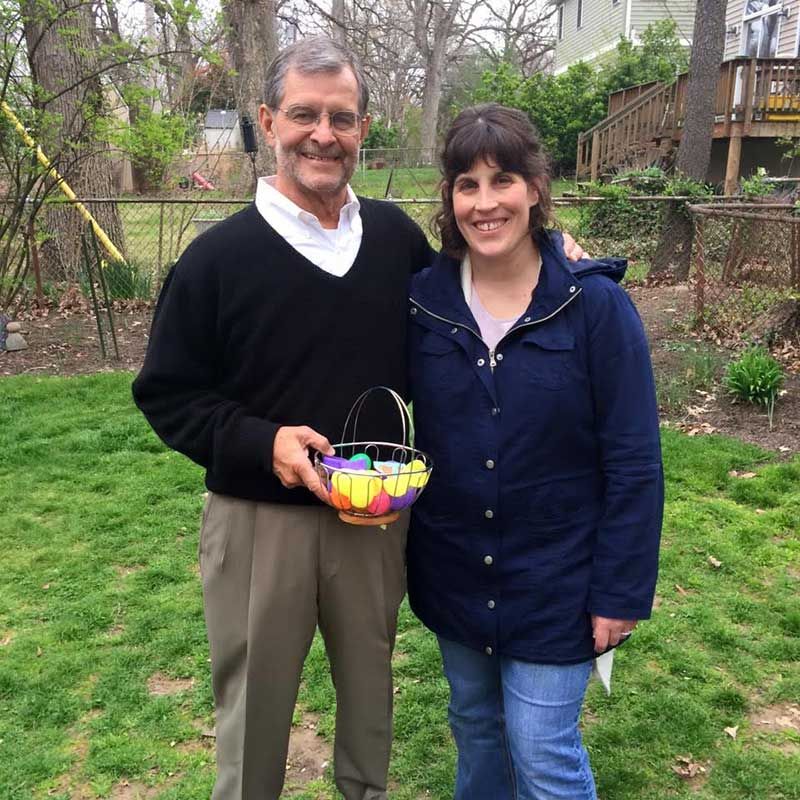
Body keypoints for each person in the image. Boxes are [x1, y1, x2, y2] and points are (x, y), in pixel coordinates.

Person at [133, 38, 585, 799]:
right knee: (256, 719)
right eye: (304, 114)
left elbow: (483, 278)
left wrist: (555, 255)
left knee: (370, 707)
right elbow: (168, 394)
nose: (323, 133)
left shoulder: (396, 243)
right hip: (258, 524)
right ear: (268, 119)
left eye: (341, 117)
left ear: (363, 128)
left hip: (374, 521)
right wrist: (260, 439)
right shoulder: (215, 261)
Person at [406, 103, 664, 800]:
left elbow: (636, 462)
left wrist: (622, 590)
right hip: (454, 570)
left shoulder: (594, 308)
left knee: (542, 752)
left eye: (503, 181)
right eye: (467, 184)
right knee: (478, 731)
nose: (486, 203)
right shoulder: (425, 302)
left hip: (559, 583)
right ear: (449, 198)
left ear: (537, 189)